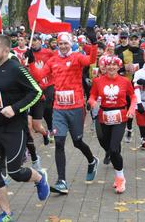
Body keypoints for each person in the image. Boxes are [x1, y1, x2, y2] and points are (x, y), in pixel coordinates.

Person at [0, 34, 49, 222]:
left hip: (13, 129)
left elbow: (37, 91)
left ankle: (39, 178)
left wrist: (15, 108)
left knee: (15, 172)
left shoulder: (17, 69)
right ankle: (7, 213)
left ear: (6, 51)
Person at [28, 30, 99, 194]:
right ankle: (62, 181)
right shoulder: (52, 60)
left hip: (76, 107)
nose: (64, 46)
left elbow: (91, 60)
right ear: (57, 45)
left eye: (66, 43)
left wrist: (94, 44)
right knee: (59, 142)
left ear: (71, 44)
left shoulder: (77, 57)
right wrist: (31, 62)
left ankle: (91, 160)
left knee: (77, 142)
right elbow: (38, 76)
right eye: (61, 44)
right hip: (59, 108)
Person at [89, 56, 136, 193]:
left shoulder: (125, 81)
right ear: (105, 66)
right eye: (109, 65)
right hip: (103, 116)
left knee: (114, 149)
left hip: (120, 116)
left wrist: (132, 109)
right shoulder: (98, 81)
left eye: (114, 65)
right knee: (106, 145)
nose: (111, 67)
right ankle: (115, 159)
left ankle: (120, 178)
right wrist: (92, 103)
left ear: (118, 66)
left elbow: (133, 96)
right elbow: (92, 96)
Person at [119, 33, 144, 142]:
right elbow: (116, 69)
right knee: (129, 107)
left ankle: (143, 136)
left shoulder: (144, 54)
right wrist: (124, 68)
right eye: (132, 39)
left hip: (141, 86)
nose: (134, 41)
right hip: (128, 85)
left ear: (139, 41)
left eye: (136, 39)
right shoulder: (123, 54)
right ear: (129, 41)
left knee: (141, 110)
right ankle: (129, 129)